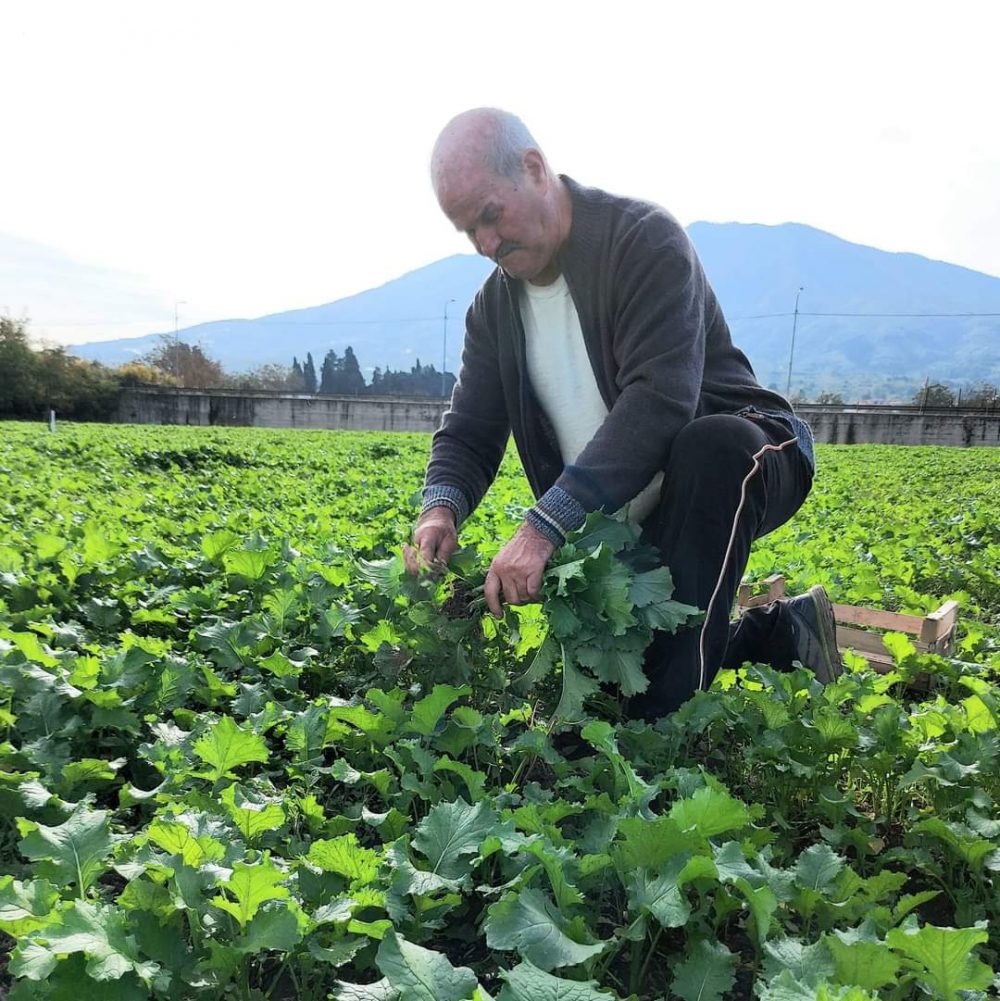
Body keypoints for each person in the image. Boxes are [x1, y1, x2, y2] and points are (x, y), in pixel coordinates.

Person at [404, 107, 841, 719]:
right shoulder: (493, 311)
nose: (485, 244)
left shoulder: (641, 240)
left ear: (533, 169)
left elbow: (659, 400)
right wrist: (439, 507)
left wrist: (542, 526)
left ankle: (660, 732)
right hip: (623, 512)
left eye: (490, 216)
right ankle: (782, 632)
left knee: (710, 449)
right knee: (631, 661)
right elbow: (470, 429)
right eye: (466, 232)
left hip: (750, 457)